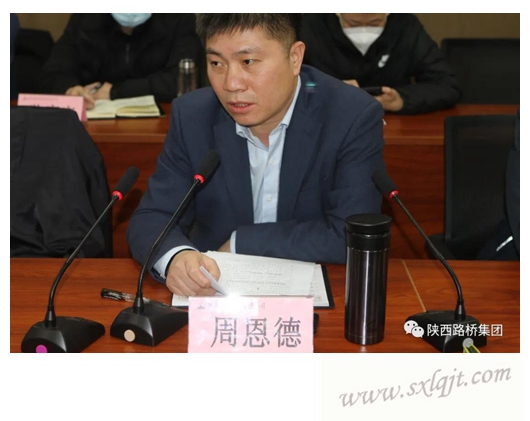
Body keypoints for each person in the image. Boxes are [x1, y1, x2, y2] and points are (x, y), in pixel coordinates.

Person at [127, 13, 386, 296]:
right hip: (214, 297)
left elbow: (353, 233)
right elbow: (152, 216)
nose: (231, 84)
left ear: (295, 57)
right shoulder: (192, 115)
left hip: (320, 297)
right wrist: (176, 257)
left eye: (248, 62)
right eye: (216, 63)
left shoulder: (351, 115)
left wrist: (243, 242)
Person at [300, 13, 461, 114]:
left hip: (394, 127)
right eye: (353, 24)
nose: (364, 31)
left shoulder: (405, 25)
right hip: (324, 122)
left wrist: (402, 99)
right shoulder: (309, 26)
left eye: (375, 23)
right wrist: (326, 91)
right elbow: (293, 86)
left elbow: (447, 86)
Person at [36, 13, 204, 109]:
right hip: (94, 128)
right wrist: (70, 90)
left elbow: (181, 80)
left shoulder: (180, 17)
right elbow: (52, 72)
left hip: (161, 127)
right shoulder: (86, 17)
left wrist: (115, 92)